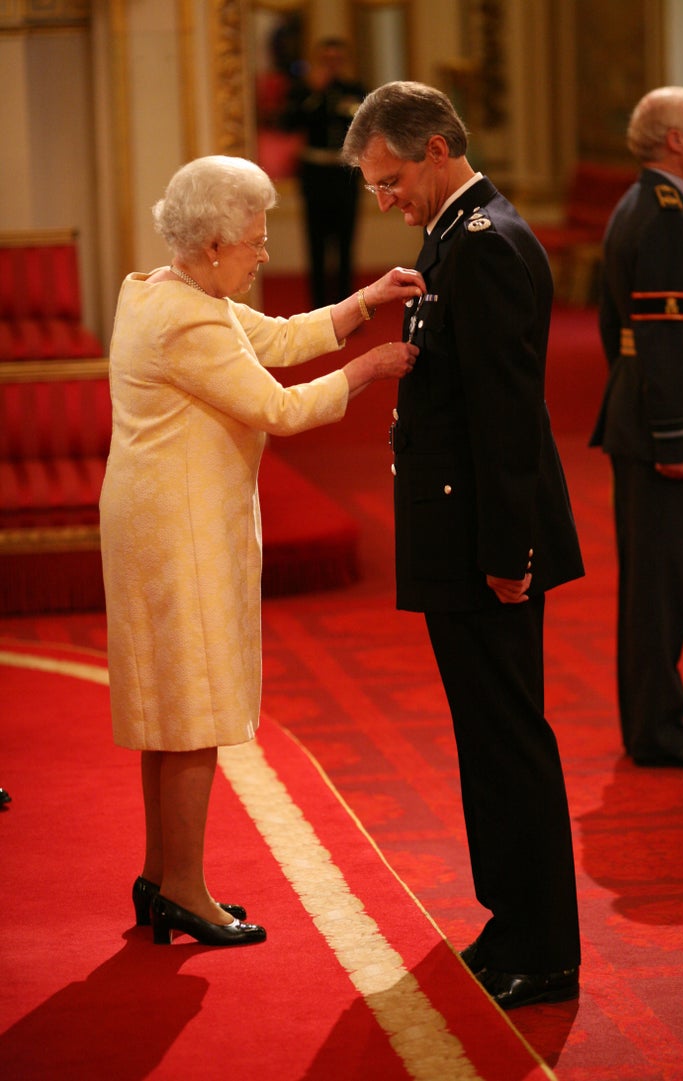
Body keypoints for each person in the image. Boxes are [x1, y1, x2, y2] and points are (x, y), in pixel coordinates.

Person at [99, 154, 423, 947]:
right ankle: (184, 888)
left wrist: (363, 303)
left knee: (168, 709)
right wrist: (370, 368)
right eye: (254, 238)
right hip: (179, 533)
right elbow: (278, 405)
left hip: (153, 521)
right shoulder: (191, 317)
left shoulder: (161, 289)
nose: (266, 251)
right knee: (197, 707)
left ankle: (157, 876)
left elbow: (274, 337)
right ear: (212, 245)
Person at [342, 82, 584, 1009]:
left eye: (390, 179)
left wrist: (507, 554)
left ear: (437, 147)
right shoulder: (452, 236)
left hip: (490, 546)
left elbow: (506, 417)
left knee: (509, 738)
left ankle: (546, 947)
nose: (385, 200)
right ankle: (511, 917)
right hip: (465, 536)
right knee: (484, 739)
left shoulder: (483, 246)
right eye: (373, 186)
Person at [590, 86, 683, 768]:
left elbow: (621, 334)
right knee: (660, 586)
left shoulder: (646, 204)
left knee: (653, 582)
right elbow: (662, 338)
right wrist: (674, 435)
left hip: (642, 419)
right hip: (666, 432)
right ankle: (659, 729)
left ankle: (652, 720)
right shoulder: (665, 217)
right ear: (674, 140)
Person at [282, 38, 366, 306]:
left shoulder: (355, 90)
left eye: (336, 61)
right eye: (326, 61)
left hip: (345, 173)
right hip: (315, 174)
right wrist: (314, 94)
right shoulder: (303, 92)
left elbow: (367, 127)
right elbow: (287, 123)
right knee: (315, 242)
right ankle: (319, 307)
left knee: (345, 242)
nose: (331, 67)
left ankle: (347, 306)